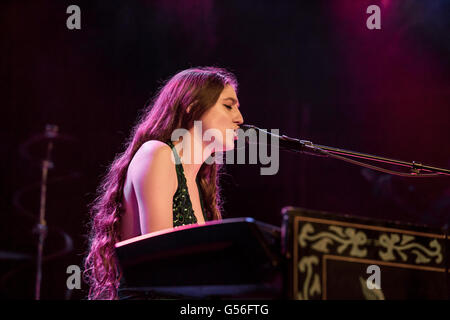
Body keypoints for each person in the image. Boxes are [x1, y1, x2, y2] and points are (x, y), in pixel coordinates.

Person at [84, 67, 244, 299]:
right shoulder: (157, 154)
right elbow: (162, 269)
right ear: (191, 106)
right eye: (228, 106)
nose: (240, 118)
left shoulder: (199, 184)